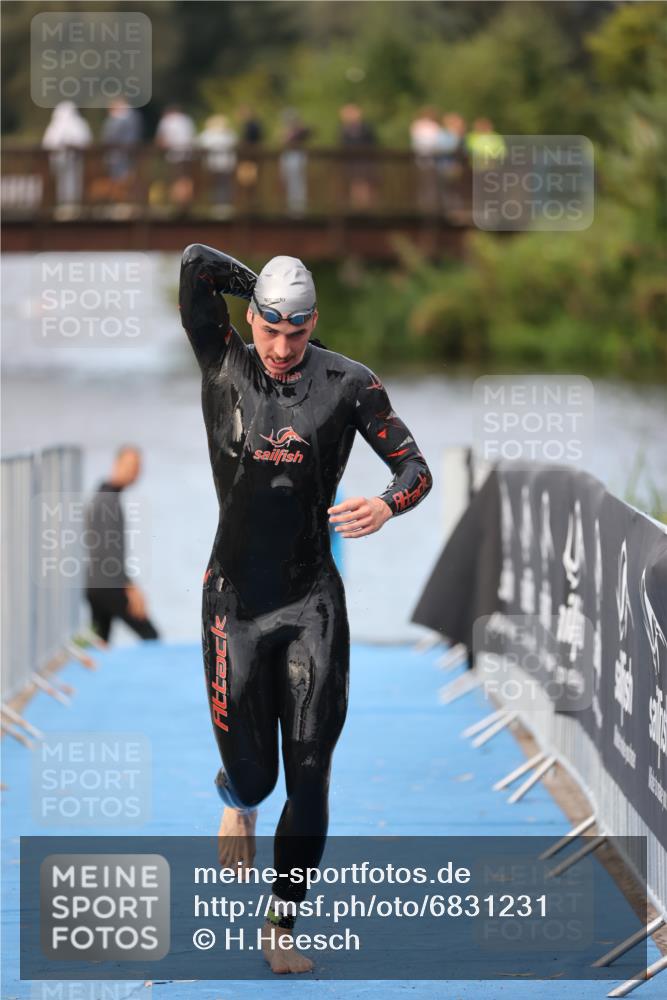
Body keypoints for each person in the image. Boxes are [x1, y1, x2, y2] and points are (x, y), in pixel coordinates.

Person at [179, 244, 432, 974]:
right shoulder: (222, 361)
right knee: (256, 777)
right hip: (233, 603)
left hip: (310, 600)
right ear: (251, 317)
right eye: (269, 328)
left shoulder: (349, 383)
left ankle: (281, 925)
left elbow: (415, 468)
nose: (283, 348)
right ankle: (238, 796)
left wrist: (386, 505)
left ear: (314, 322)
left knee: (312, 771)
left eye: (297, 332)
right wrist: (258, 283)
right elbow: (195, 263)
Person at [85, 446, 159, 643]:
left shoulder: (103, 494)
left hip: (95, 583)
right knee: (151, 637)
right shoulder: (108, 501)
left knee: (99, 641)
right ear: (116, 465)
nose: (134, 471)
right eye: (130, 465)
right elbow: (108, 552)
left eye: (138, 466)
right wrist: (131, 589)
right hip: (108, 584)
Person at [41, 101, 92, 214]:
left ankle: (71, 204)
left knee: (73, 181)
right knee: (64, 182)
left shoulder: (76, 124)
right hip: (62, 161)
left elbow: (84, 142)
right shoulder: (61, 124)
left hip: (74, 160)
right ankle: (65, 204)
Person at [196, 114, 237, 213]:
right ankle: (222, 205)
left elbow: (196, 144)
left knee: (215, 185)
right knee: (224, 185)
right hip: (226, 165)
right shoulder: (228, 134)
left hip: (212, 165)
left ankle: (216, 205)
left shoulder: (207, 135)